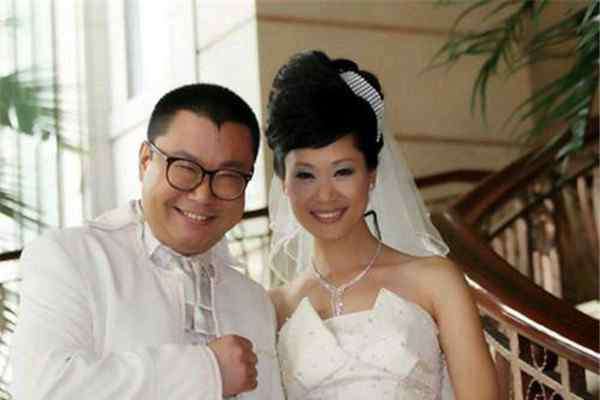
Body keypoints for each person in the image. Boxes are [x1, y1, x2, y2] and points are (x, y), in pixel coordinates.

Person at [12, 83, 284, 400]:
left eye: (228, 176)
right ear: (145, 161)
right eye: (184, 168)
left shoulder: (253, 300)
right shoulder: (71, 258)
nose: (202, 195)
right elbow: (43, 389)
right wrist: (208, 370)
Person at [265, 50, 498, 399]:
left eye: (343, 171)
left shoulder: (436, 281)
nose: (325, 194)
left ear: (371, 175)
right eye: (305, 175)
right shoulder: (275, 307)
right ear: (283, 183)